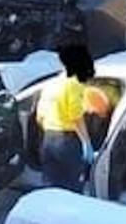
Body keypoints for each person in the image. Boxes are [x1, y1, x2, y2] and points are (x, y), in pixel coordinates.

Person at [35, 44, 95, 192]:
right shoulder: (74, 84)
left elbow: (39, 116)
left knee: (51, 185)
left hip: (49, 140)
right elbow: (75, 116)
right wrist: (86, 142)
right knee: (71, 185)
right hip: (67, 141)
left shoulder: (51, 84)